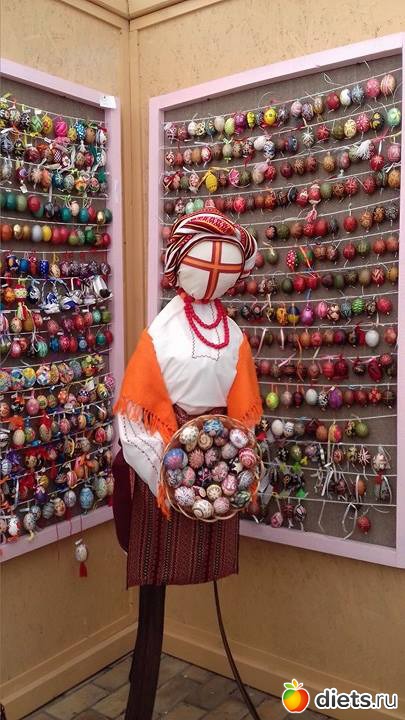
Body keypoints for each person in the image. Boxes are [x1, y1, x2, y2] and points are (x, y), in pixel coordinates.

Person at [112, 209, 262, 719]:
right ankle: (142, 691)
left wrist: (233, 455)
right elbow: (135, 410)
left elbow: (241, 404)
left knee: (203, 549)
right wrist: (167, 470)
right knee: (155, 584)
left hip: (217, 458)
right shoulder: (163, 330)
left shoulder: (233, 332)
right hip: (167, 463)